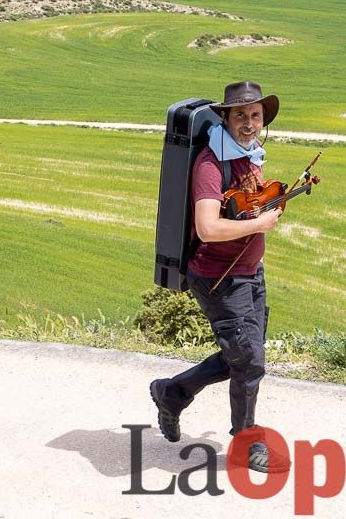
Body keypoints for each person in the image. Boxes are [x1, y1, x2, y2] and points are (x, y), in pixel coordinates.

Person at [149, 81, 290, 474]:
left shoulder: (250, 155)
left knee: (243, 357)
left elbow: (246, 208)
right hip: (219, 278)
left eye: (256, 115)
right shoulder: (212, 164)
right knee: (249, 362)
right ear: (225, 118)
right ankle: (247, 442)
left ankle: (172, 393)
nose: (249, 123)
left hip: (250, 273)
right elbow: (208, 228)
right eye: (241, 115)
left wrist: (266, 207)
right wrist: (261, 222)